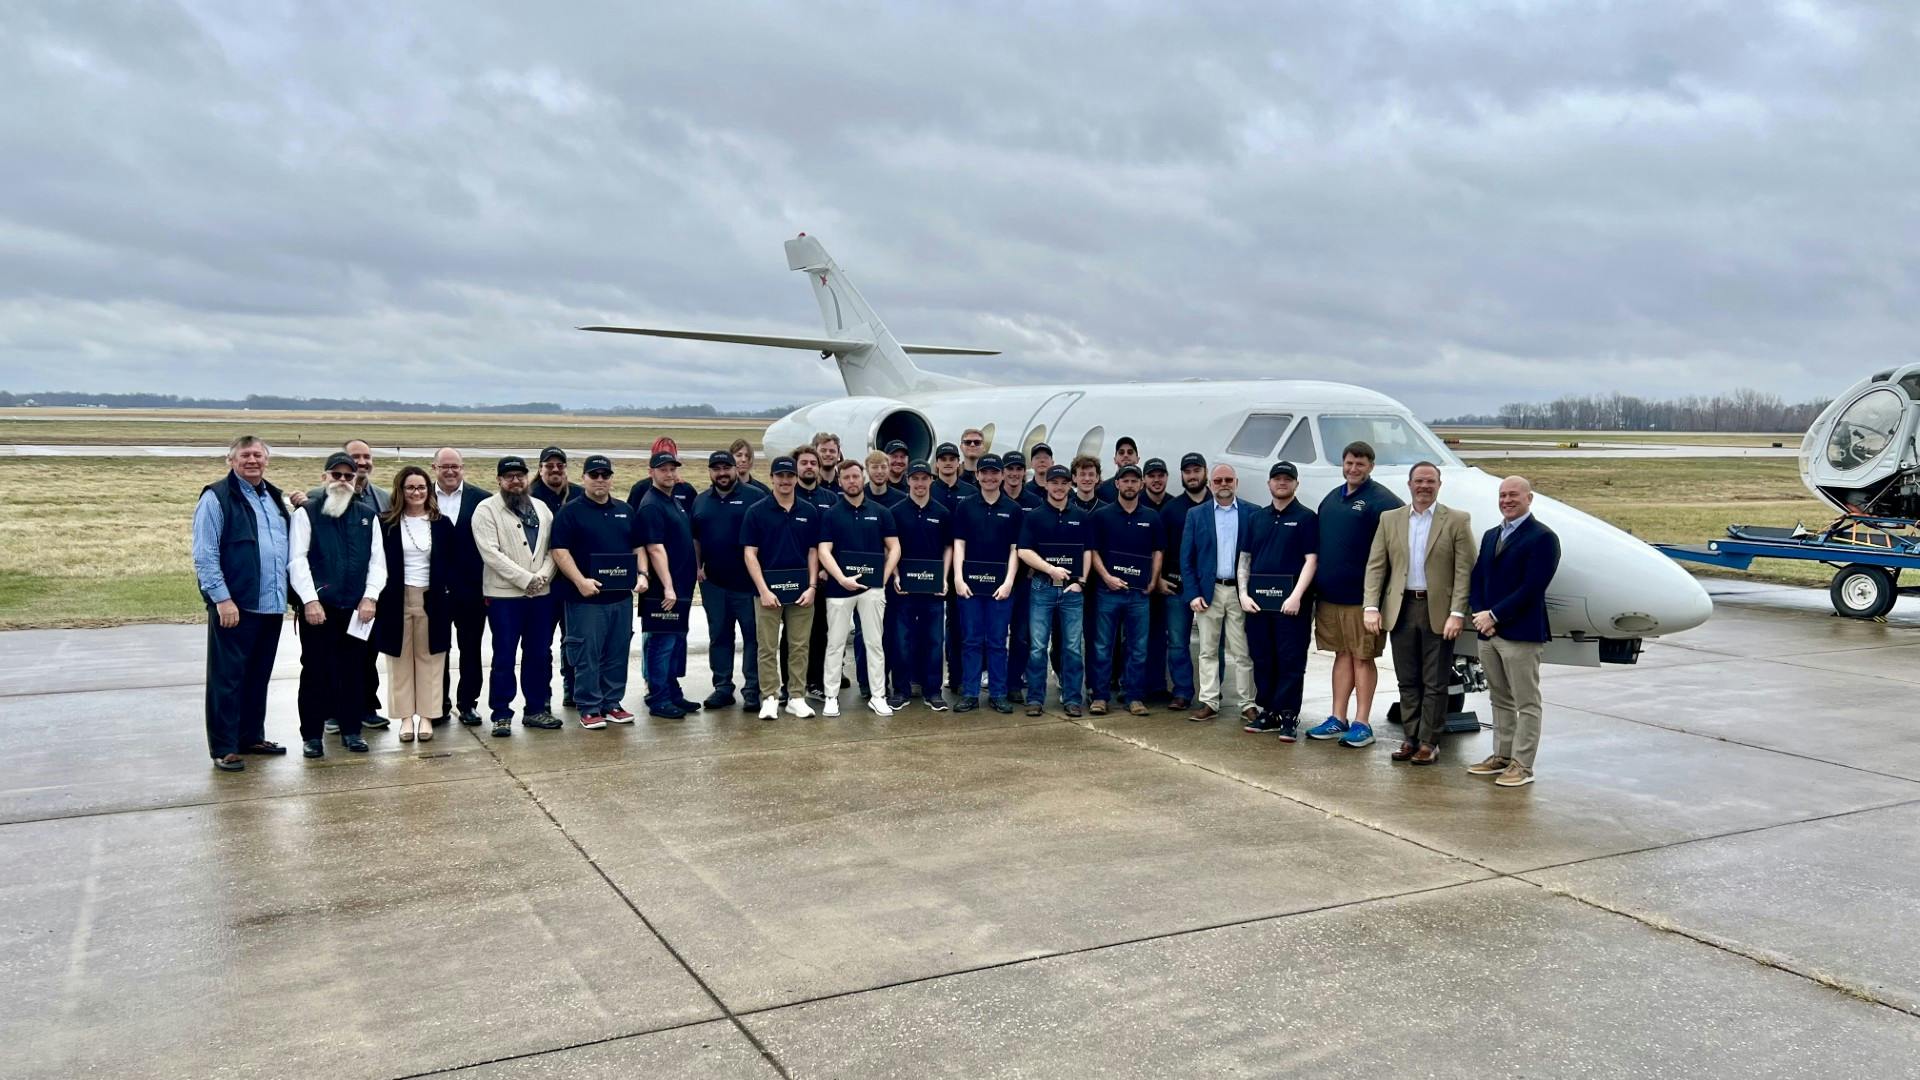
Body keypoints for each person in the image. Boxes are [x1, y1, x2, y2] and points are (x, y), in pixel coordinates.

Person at [1364, 462, 1475, 765]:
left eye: (1430, 481)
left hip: (1437, 610)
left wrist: (1457, 613)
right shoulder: (1390, 519)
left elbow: (1465, 571)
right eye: (1419, 481)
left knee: (1435, 681)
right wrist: (1371, 606)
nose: (1424, 486)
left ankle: (1429, 741)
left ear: (1439, 484)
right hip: (1400, 609)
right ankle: (1410, 738)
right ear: (1409, 484)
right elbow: (1376, 565)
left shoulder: (1456, 520)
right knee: (1407, 680)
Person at [192, 435, 292, 771]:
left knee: (258, 676)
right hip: (236, 606)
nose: (253, 461)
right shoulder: (217, 497)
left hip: (271, 605)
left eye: (258, 455)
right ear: (231, 460)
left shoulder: (275, 498)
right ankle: (225, 746)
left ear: (267, 459)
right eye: (245, 455)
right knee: (228, 677)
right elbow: (205, 555)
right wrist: (222, 599)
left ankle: (251, 736)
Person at [1305, 441, 1405, 749]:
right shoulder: (1332, 499)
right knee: (1341, 655)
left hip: (1364, 601)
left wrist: (1379, 599)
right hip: (1331, 596)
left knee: (1363, 657)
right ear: (1342, 464)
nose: (1353, 468)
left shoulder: (1383, 501)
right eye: (1349, 463)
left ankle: (1363, 723)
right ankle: (1338, 717)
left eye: (1360, 464)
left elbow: (1397, 547)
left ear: (1371, 466)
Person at [290, 452, 387, 757]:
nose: (342, 480)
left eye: (349, 476)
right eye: (337, 475)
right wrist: (310, 600)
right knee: (316, 671)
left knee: (354, 670)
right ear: (325, 478)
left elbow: (378, 563)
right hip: (319, 609)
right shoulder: (307, 513)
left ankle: (352, 730)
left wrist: (370, 596)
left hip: (357, 610)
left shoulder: (366, 515)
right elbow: (297, 561)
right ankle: (312, 736)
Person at [1467, 476, 1561, 787]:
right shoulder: (1491, 535)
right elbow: (1478, 576)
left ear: (1529, 498)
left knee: (1527, 702)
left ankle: (1523, 765)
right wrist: (1481, 614)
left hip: (1520, 634)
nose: (1507, 500)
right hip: (1488, 634)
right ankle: (1502, 757)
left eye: (1514, 495)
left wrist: (1494, 615)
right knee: (1499, 699)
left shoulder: (1543, 538)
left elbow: (1532, 588)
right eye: (1503, 495)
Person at [549, 454, 648, 730]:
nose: (600, 480)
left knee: (617, 651)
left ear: (611, 478)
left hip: (620, 597)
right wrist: (580, 580)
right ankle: (590, 707)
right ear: (584, 478)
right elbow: (559, 550)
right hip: (586, 598)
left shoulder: (625, 510)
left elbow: (637, 547)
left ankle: (612, 702)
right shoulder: (570, 512)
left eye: (605, 475)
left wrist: (642, 574)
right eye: (595, 475)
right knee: (586, 652)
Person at [471, 455, 561, 737]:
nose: (515, 481)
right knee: (504, 656)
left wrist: (543, 576)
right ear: (499, 480)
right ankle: (501, 713)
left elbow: (553, 549)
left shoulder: (542, 508)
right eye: (509, 476)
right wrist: (526, 580)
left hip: (541, 597)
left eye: (520, 475)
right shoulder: (486, 510)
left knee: (537, 654)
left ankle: (536, 710)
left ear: (527, 477)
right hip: (504, 598)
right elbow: (491, 554)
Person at [1238, 462, 1318, 741]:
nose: (1282, 483)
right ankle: (1268, 712)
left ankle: (1287, 716)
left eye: (1287, 479)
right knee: (1263, 658)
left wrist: (1296, 595)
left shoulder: (1306, 518)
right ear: (1269, 483)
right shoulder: (1256, 518)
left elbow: (1312, 560)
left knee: (1290, 660)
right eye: (1277, 478)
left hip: (1291, 607)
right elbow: (1245, 558)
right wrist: (1243, 595)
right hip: (1259, 605)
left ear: (1296, 484)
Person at [375, 466, 453, 743]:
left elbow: (452, 565)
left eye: (421, 487)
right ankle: (406, 717)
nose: (416, 492)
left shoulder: (442, 524)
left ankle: (428, 717)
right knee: (399, 660)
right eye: (410, 488)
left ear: (428, 491)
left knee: (431, 660)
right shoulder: (386, 523)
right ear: (400, 491)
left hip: (432, 600)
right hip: (396, 599)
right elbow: (377, 563)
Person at [817, 458, 900, 717]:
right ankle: (831, 696)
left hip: (872, 590)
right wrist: (841, 578)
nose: (852, 481)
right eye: (846, 478)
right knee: (835, 644)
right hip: (839, 591)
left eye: (855, 476)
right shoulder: (831, 514)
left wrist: (884, 577)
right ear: (840, 481)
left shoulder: (880, 512)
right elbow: (823, 550)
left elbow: (894, 547)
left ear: (861, 477)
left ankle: (878, 695)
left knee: (875, 643)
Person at [743, 456, 822, 720]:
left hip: (801, 590)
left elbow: (813, 552)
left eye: (790, 476)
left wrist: (812, 586)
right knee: (767, 646)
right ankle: (770, 697)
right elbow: (750, 554)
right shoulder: (756, 511)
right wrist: (763, 590)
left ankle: (796, 697)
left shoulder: (809, 511)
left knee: (799, 645)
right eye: (781, 476)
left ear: (796, 478)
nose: (786, 481)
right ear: (772, 477)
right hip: (768, 592)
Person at [1087, 463, 1166, 716]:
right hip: (1107, 591)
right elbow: (1093, 551)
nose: (1130, 485)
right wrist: (1107, 577)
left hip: (1139, 594)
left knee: (1138, 647)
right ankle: (1099, 697)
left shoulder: (1151, 517)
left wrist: (1153, 580)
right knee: (1102, 646)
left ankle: (1134, 697)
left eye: (1134, 481)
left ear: (1140, 485)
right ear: (1117, 484)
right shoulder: (1102, 516)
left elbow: (1158, 551)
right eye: (1125, 481)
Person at [1180, 463, 1255, 722]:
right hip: (1208, 592)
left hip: (1239, 592)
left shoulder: (1251, 513)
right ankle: (1209, 702)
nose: (1223, 484)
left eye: (1228, 480)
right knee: (1208, 650)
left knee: (1242, 651)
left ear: (1236, 483)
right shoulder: (1196, 515)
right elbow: (1186, 559)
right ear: (1210, 484)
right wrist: (1192, 593)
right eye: (1218, 480)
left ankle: (1247, 703)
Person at [692, 450, 765, 711]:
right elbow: (696, 537)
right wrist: (697, 566)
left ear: (736, 468)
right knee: (720, 636)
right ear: (710, 472)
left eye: (727, 468)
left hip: (747, 584)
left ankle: (753, 689)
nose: (722, 473)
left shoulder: (755, 497)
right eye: (716, 469)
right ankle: (722, 687)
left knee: (753, 638)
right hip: (713, 584)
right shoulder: (701, 501)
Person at [1017, 464, 1092, 717]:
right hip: (1042, 587)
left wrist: (1080, 582)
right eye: (1054, 482)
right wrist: (1050, 569)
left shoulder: (1081, 516)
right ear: (1046, 485)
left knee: (1072, 646)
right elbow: (1024, 551)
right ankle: (1036, 698)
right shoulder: (1035, 516)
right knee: (1037, 646)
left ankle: (1072, 698)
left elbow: (1088, 552)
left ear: (1069, 485)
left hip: (1072, 591)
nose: (1059, 487)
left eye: (1063, 483)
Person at [952, 454, 1022, 712]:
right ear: (978, 475)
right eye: (985, 472)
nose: (990, 477)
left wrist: (1008, 583)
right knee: (971, 641)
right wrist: (958, 578)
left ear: (1002, 476)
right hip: (969, 587)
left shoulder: (1013, 510)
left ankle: (998, 693)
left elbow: (1016, 549)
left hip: (1000, 589)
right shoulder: (966, 506)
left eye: (995, 473)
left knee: (996, 642)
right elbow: (959, 544)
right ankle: (970, 693)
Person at [636, 449, 701, 719]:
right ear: (652, 472)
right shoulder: (651, 504)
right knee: (661, 643)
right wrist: (668, 586)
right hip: (664, 591)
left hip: (680, 588)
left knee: (675, 641)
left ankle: (673, 691)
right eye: (663, 469)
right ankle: (658, 697)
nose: (670, 473)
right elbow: (655, 548)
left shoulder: (672, 500)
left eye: (673, 469)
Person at [429, 447, 491, 727]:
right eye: (445, 467)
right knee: (437, 650)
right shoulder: (421, 496)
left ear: (463, 468)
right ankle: (438, 704)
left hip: (472, 590)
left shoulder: (482, 500)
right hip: (435, 590)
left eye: (455, 466)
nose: (451, 471)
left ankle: (468, 703)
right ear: (435, 468)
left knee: (471, 649)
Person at [887, 460, 952, 711]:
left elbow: (948, 547)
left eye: (925, 478)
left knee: (934, 641)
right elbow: (889, 547)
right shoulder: (895, 511)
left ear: (931, 481)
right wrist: (894, 575)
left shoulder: (942, 512)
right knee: (902, 640)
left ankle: (933, 691)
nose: (920, 483)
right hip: (904, 590)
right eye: (915, 478)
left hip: (933, 590)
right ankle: (901, 690)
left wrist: (944, 577)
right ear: (908, 480)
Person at [1156, 453, 1210, 711]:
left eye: (1196, 470)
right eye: (1187, 471)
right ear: (1181, 475)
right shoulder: (1171, 510)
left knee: (1213, 644)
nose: (1192, 476)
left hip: (1211, 589)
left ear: (1205, 472)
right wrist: (1159, 579)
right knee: (1177, 643)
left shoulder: (1218, 503)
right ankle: (1182, 691)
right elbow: (1160, 550)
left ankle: (1212, 695)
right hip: (1176, 586)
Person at [532, 446, 583, 708]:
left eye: (560, 465)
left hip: (572, 582)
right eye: (548, 465)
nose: (555, 469)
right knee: (540, 645)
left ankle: (572, 689)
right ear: (540, 469)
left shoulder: (578, 495)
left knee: (572, 641)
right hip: (541, 585)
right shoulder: (529, 496)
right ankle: (542, 698)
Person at [1001, 450, 1041, 705]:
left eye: (1019, 469)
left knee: (1022, 634)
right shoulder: (994, 498)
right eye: (1010, 469)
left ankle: (1014, 683)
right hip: (996, 578)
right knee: (992, 634)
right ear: (1003, 472)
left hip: (1025, 580)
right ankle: (994, 680)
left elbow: (1042, 537)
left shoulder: (1035, 502)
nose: (1014, 474)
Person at [630, 436, 699, 514]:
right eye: (663, 469)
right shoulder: (640, 488)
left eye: (672, 468)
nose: (668, 474)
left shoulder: (687, 490)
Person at [1094, 436, 1141, 503]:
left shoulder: (1145, 488)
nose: (1125, 455)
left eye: (1130, 452)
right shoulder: (1101, 489)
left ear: (1137, 459)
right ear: (1115, 459)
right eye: (1121, 452)